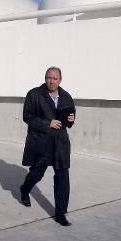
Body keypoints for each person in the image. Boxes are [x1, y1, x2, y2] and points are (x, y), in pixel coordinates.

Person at [19, 66, 76, 226]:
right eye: (48, 77)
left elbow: (70, 118)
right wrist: (47, 123)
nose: (51, 81)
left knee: (63, 178)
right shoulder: (34, 94)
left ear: (60, 80)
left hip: (60, 144)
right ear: (45, 78)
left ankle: (60, 213)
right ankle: (25, 189)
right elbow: (27, 117)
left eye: (54, 78)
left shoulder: (66, 96)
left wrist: (71, 120)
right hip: (42, 142)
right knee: (36, 174)